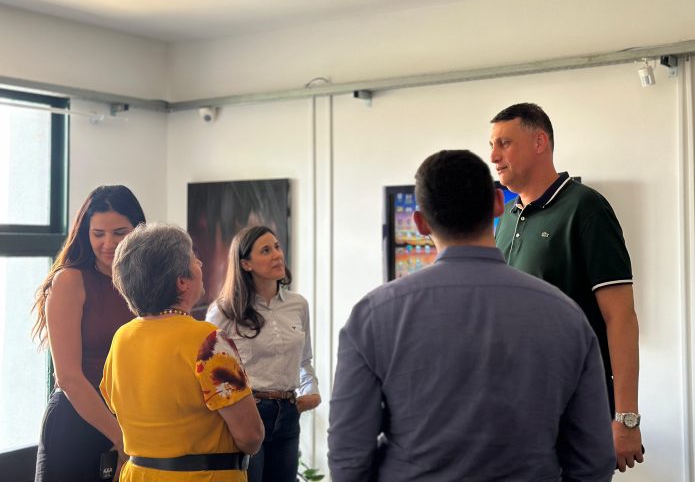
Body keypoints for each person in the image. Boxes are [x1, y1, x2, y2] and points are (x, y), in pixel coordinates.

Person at [328, 149, 615, 482]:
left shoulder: (372, 317)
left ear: (420, 223)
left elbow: (348, 460)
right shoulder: (567, 317)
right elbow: (594, 460)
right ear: (498, 203)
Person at [490, 102, 644, 471]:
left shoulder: (586, 208)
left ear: (539, 142)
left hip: (575, 411)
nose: (493, 156)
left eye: (504, 143)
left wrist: (626, 419)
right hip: (515, 410)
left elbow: (621, 317)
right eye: (492, 145)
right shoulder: (507, 218)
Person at [100, 222, 264, 481]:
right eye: (193, 259)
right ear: (182, 282)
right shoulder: (208, 341)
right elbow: (251, 437)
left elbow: (114, 404)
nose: (200, 263)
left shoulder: (122, 337)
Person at [31, 185, 146, 481]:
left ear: (138, 231)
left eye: (119, 233)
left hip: (131, 423)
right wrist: (122, 440)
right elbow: (68, 378)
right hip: (78, 422)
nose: (109, 243)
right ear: (85, 234)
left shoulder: (146, 285)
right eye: (98, 234)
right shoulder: (70, 280)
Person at [207, 225, 321, 482]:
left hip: (289, 412)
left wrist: (311, 392)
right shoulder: (223, 311)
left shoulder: (298, 304)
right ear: (245, 264)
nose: (277, 255)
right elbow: (208, 373)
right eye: (266, 250)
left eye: (277, 247)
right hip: (247, 413)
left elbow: (304, 360)